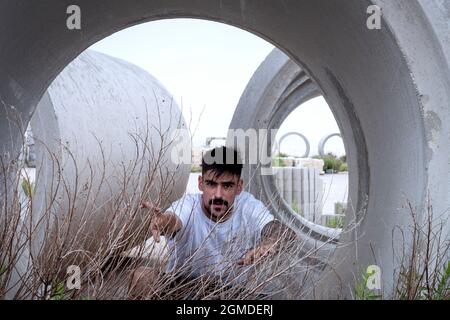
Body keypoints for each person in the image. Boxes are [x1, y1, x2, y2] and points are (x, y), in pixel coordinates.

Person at [130, 146, 297, 298]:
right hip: (182, 288)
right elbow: (174, 219)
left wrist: (268, 244)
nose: (218, 194)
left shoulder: (249, 206)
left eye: (227, 186)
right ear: (201, 184)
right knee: (142, 276)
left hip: (231, 293)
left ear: (239, 187)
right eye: (211, 184)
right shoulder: (188, 205)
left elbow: (282, 231)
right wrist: (163, 222)